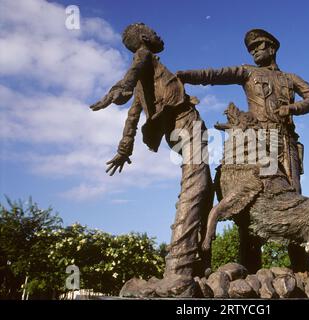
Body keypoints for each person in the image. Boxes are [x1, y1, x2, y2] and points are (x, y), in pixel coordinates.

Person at [176, 28, 309, 273]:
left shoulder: (290, 77)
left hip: (284, 142)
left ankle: (302, 271)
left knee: (294, 201)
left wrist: (293, 108)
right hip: (258, 143)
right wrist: (184, 76)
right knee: (252, 200)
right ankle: (250, 268)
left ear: (271, 48)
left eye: (258, 47)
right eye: (251, 49)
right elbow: (216, 74)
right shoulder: (247, 72)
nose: (254, 51)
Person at [90, 23, 213, 297]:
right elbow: (132, 76)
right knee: (198, 185)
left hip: (181, 127)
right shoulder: (144, 57)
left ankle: (198, 261)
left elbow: (133, 116)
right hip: (184, 123)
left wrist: (124, 149)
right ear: (145, 38)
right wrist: (120, 88)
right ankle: (179, 268)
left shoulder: (147, 76)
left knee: (204, 188)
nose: (159, 34)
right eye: (153, 31)